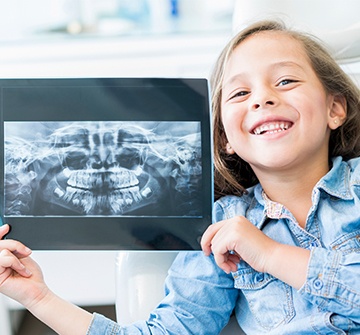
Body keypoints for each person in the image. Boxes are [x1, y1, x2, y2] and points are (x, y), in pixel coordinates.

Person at [1, 19, 360, 334]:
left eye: (285, 80)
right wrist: (39, 298)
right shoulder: (221, 229)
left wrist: (270, 255)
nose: (262, 98)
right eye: (240, 92)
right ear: (224, 138)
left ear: (335, 108)